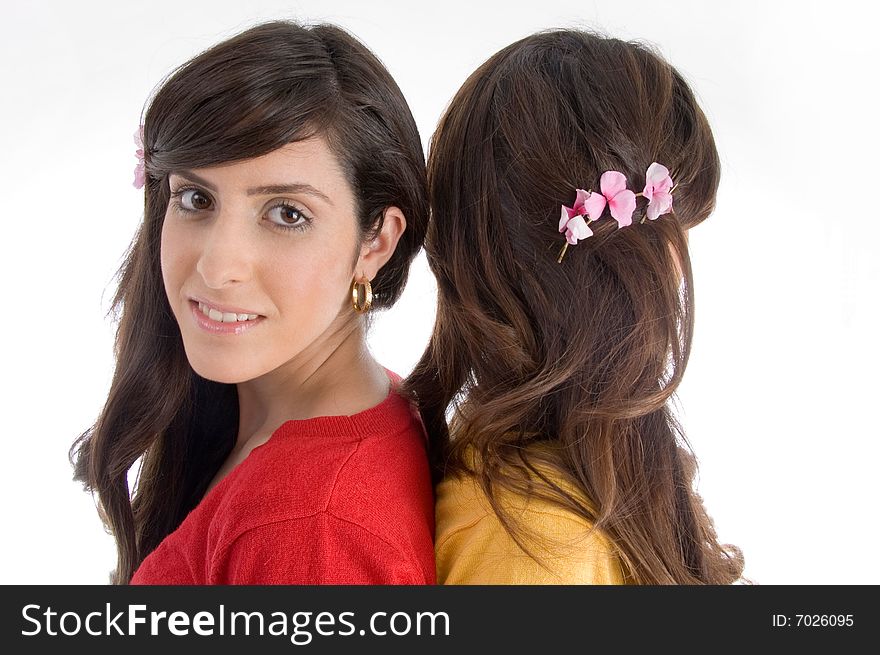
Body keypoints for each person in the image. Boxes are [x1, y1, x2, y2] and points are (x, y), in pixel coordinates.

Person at [70, 20, 434, 585]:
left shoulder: (309, 527)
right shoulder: (343, 415)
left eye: (287, 213)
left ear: (376, 242)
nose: (217, 266)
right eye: (195, 198)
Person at [404, 30, 745, 584]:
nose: (679, 276)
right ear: (611, 269)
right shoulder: (535, 542)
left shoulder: (581, 477)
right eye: (674, 241)